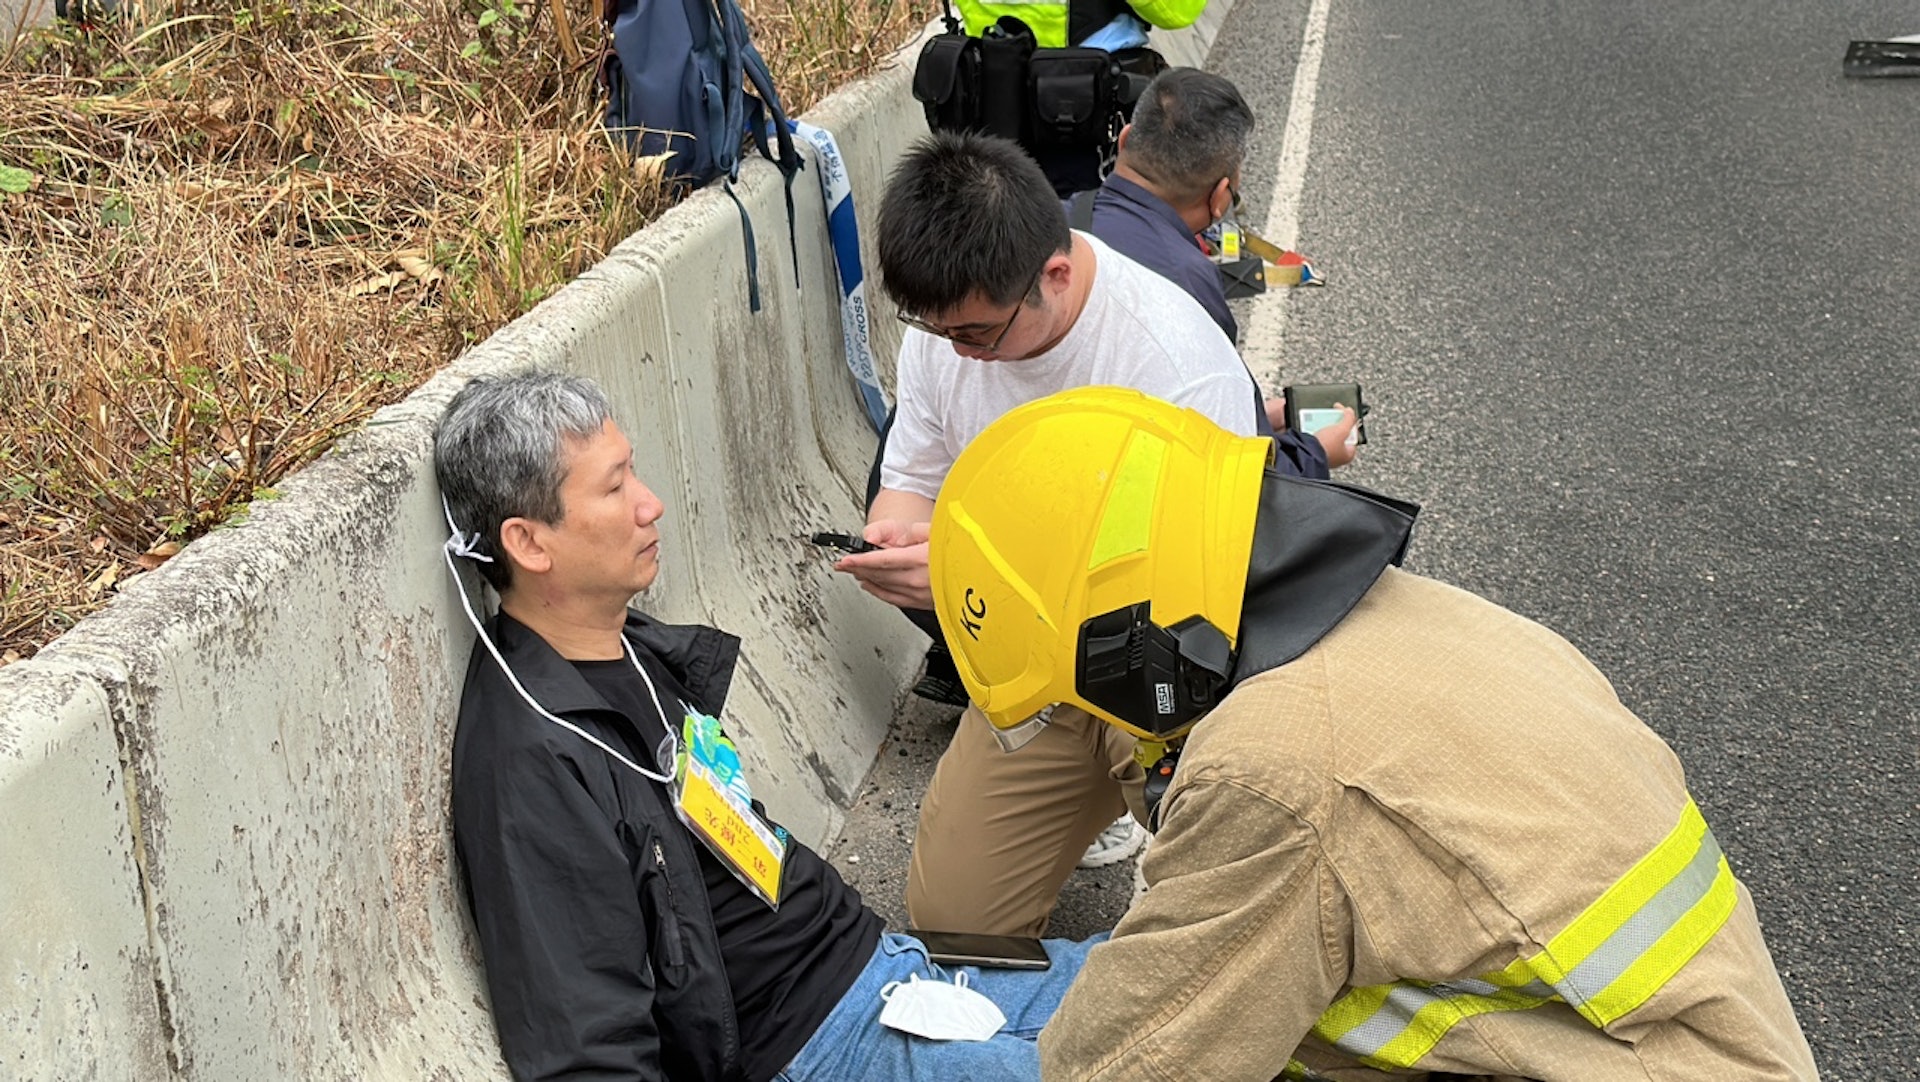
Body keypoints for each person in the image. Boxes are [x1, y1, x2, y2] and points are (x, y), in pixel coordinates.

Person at [926, 386, 1821, 1082]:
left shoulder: (1274, 775)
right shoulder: (1414, 619)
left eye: (1074, 701)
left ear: (1125, 655)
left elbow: (1129, 1063)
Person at [433, 371, 1097, 1082]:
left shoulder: (627, 646)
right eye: (615, 487)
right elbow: (587, 1046)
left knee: (1190, 982)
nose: (651, 504)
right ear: (530, 544)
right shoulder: (531, 759)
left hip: (894, 971)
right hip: (823, 1048)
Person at [838, 128, 1286, 936]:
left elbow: (1206, 608)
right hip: (1037, 668)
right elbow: (908, 485)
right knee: (953, 920)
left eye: (978, 335)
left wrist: (972, 566)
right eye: (940, 334)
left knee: (1232, 908)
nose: (962, 358)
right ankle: (1081, 799)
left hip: (1165, 666)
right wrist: (898, 546)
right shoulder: (949, 330)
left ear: (1055, 274)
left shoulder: (1175, 366)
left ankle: (1141, 800)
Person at [1082, 66, 1359, 459]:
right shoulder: (1187, 283)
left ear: (1125, 140)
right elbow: (1230, 465)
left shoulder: (1055, 218)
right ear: (1220, 197)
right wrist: (1315, 453)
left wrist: (1259, 413)